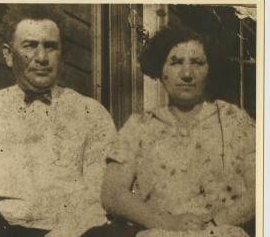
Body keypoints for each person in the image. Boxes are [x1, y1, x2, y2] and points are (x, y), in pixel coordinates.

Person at [0, 4, 116, 237]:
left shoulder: (91, 114)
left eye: (50, 47)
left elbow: (100, 197)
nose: (41, 58)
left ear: (62, 55)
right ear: (9, 55)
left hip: (75, 232)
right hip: (3, 230)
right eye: (30, 45)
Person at [101, 27, 255, 237]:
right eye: (175, 62)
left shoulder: (235, 121)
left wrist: (215, 222)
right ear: (160, 71)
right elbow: (112, 194)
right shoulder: (139, 127)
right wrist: (165, 222)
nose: (187, 74)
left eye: (197, 63)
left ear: (210, 69)